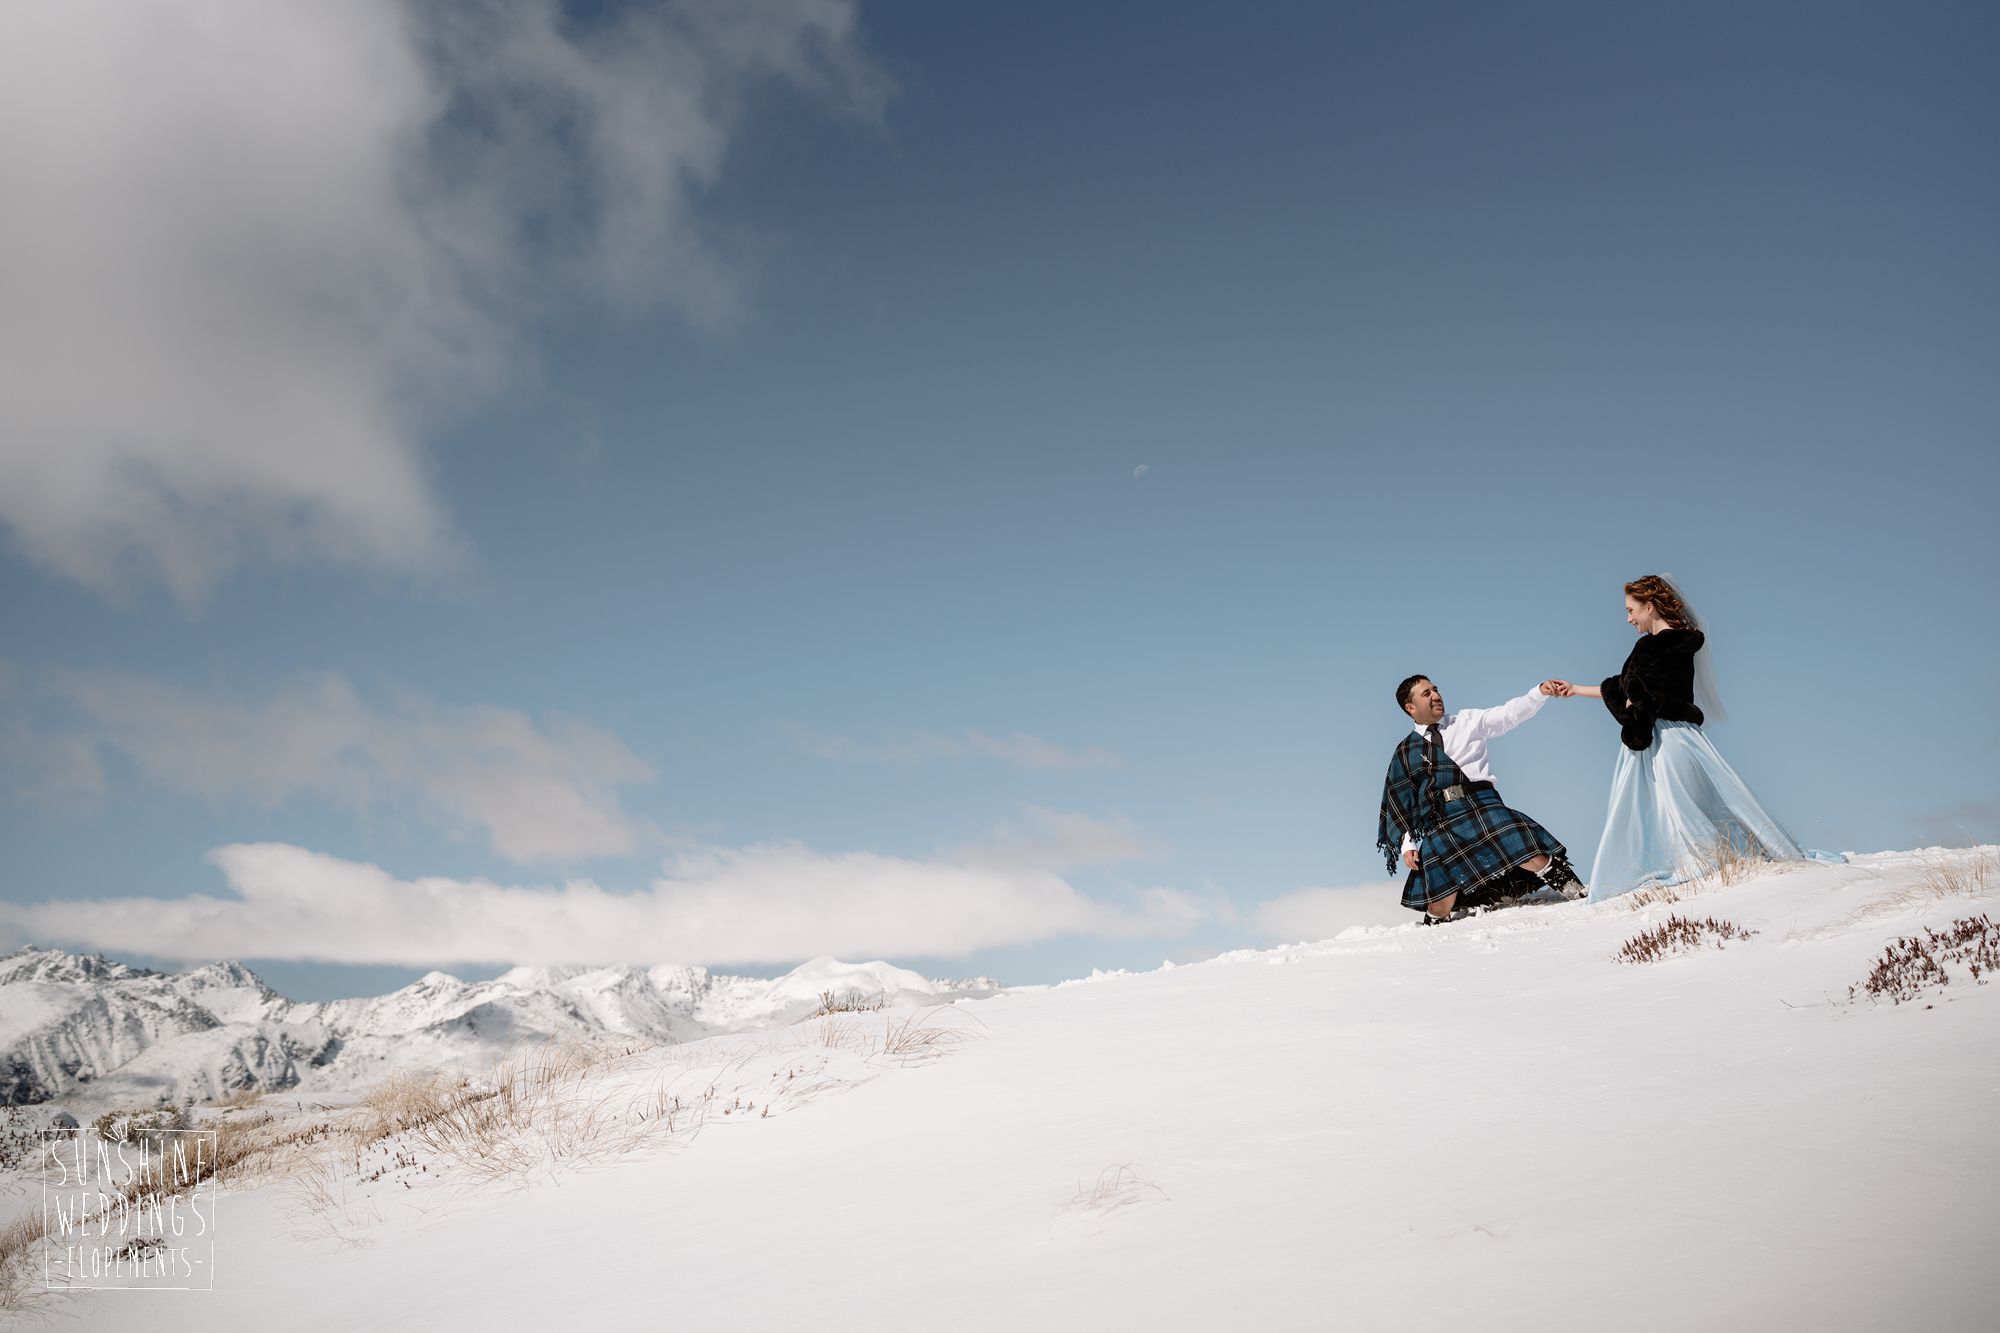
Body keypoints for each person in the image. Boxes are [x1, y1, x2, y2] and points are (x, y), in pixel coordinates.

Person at [1554, 574, 1843, 901]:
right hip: (1663, 734)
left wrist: (1638, 704)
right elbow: (1624, 686)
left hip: (1666, 736)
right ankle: (1701, 861)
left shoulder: (1662, 646)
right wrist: (1576, 689)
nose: (1628, 618)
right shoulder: (1660, 645)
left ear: (1650, 606)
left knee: (1680, 804)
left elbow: (1646, 690)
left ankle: (1710, 864)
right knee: (1665, 805)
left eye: (1631, 610)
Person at [1376, 675, 1587, 922]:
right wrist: (1408, 845)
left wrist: (1538, 693)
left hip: (1482, 804)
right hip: (1441, 819)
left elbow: (1509, 714)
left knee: (1528, 853)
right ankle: (1432, 930)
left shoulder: (1467, 721)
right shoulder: (1405, 751)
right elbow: (1402, 801)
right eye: (1426, 693)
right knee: (1441, 899)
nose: (1436, 695)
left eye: (1435, 689)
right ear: (1410, 707)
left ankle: (1580, 895)